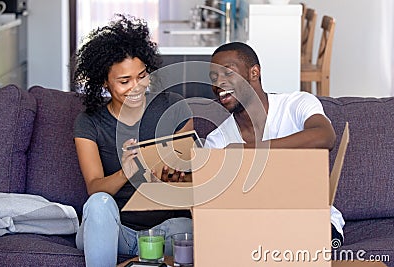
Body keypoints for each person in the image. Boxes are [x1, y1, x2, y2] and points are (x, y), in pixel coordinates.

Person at [72, 14, 193, 266]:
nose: (136, 87)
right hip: (114, 231)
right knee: (98, 203)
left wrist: (179, 171)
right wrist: (126, 172)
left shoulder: (174, 108)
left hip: (164, 231)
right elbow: (94, 188)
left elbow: (193, 177)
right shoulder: (90, 122)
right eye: (124, 81)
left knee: (191, 226)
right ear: (104, 81)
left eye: (141, 76)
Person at [204, 42, 345, 243]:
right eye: (214, 77)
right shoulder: (217, 142)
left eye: (228, 74)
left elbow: (325, 136)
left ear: (254, 73)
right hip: (255, 232)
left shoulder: (296, 105)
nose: (219, 84)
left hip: (314, 222)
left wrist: (248, 152)